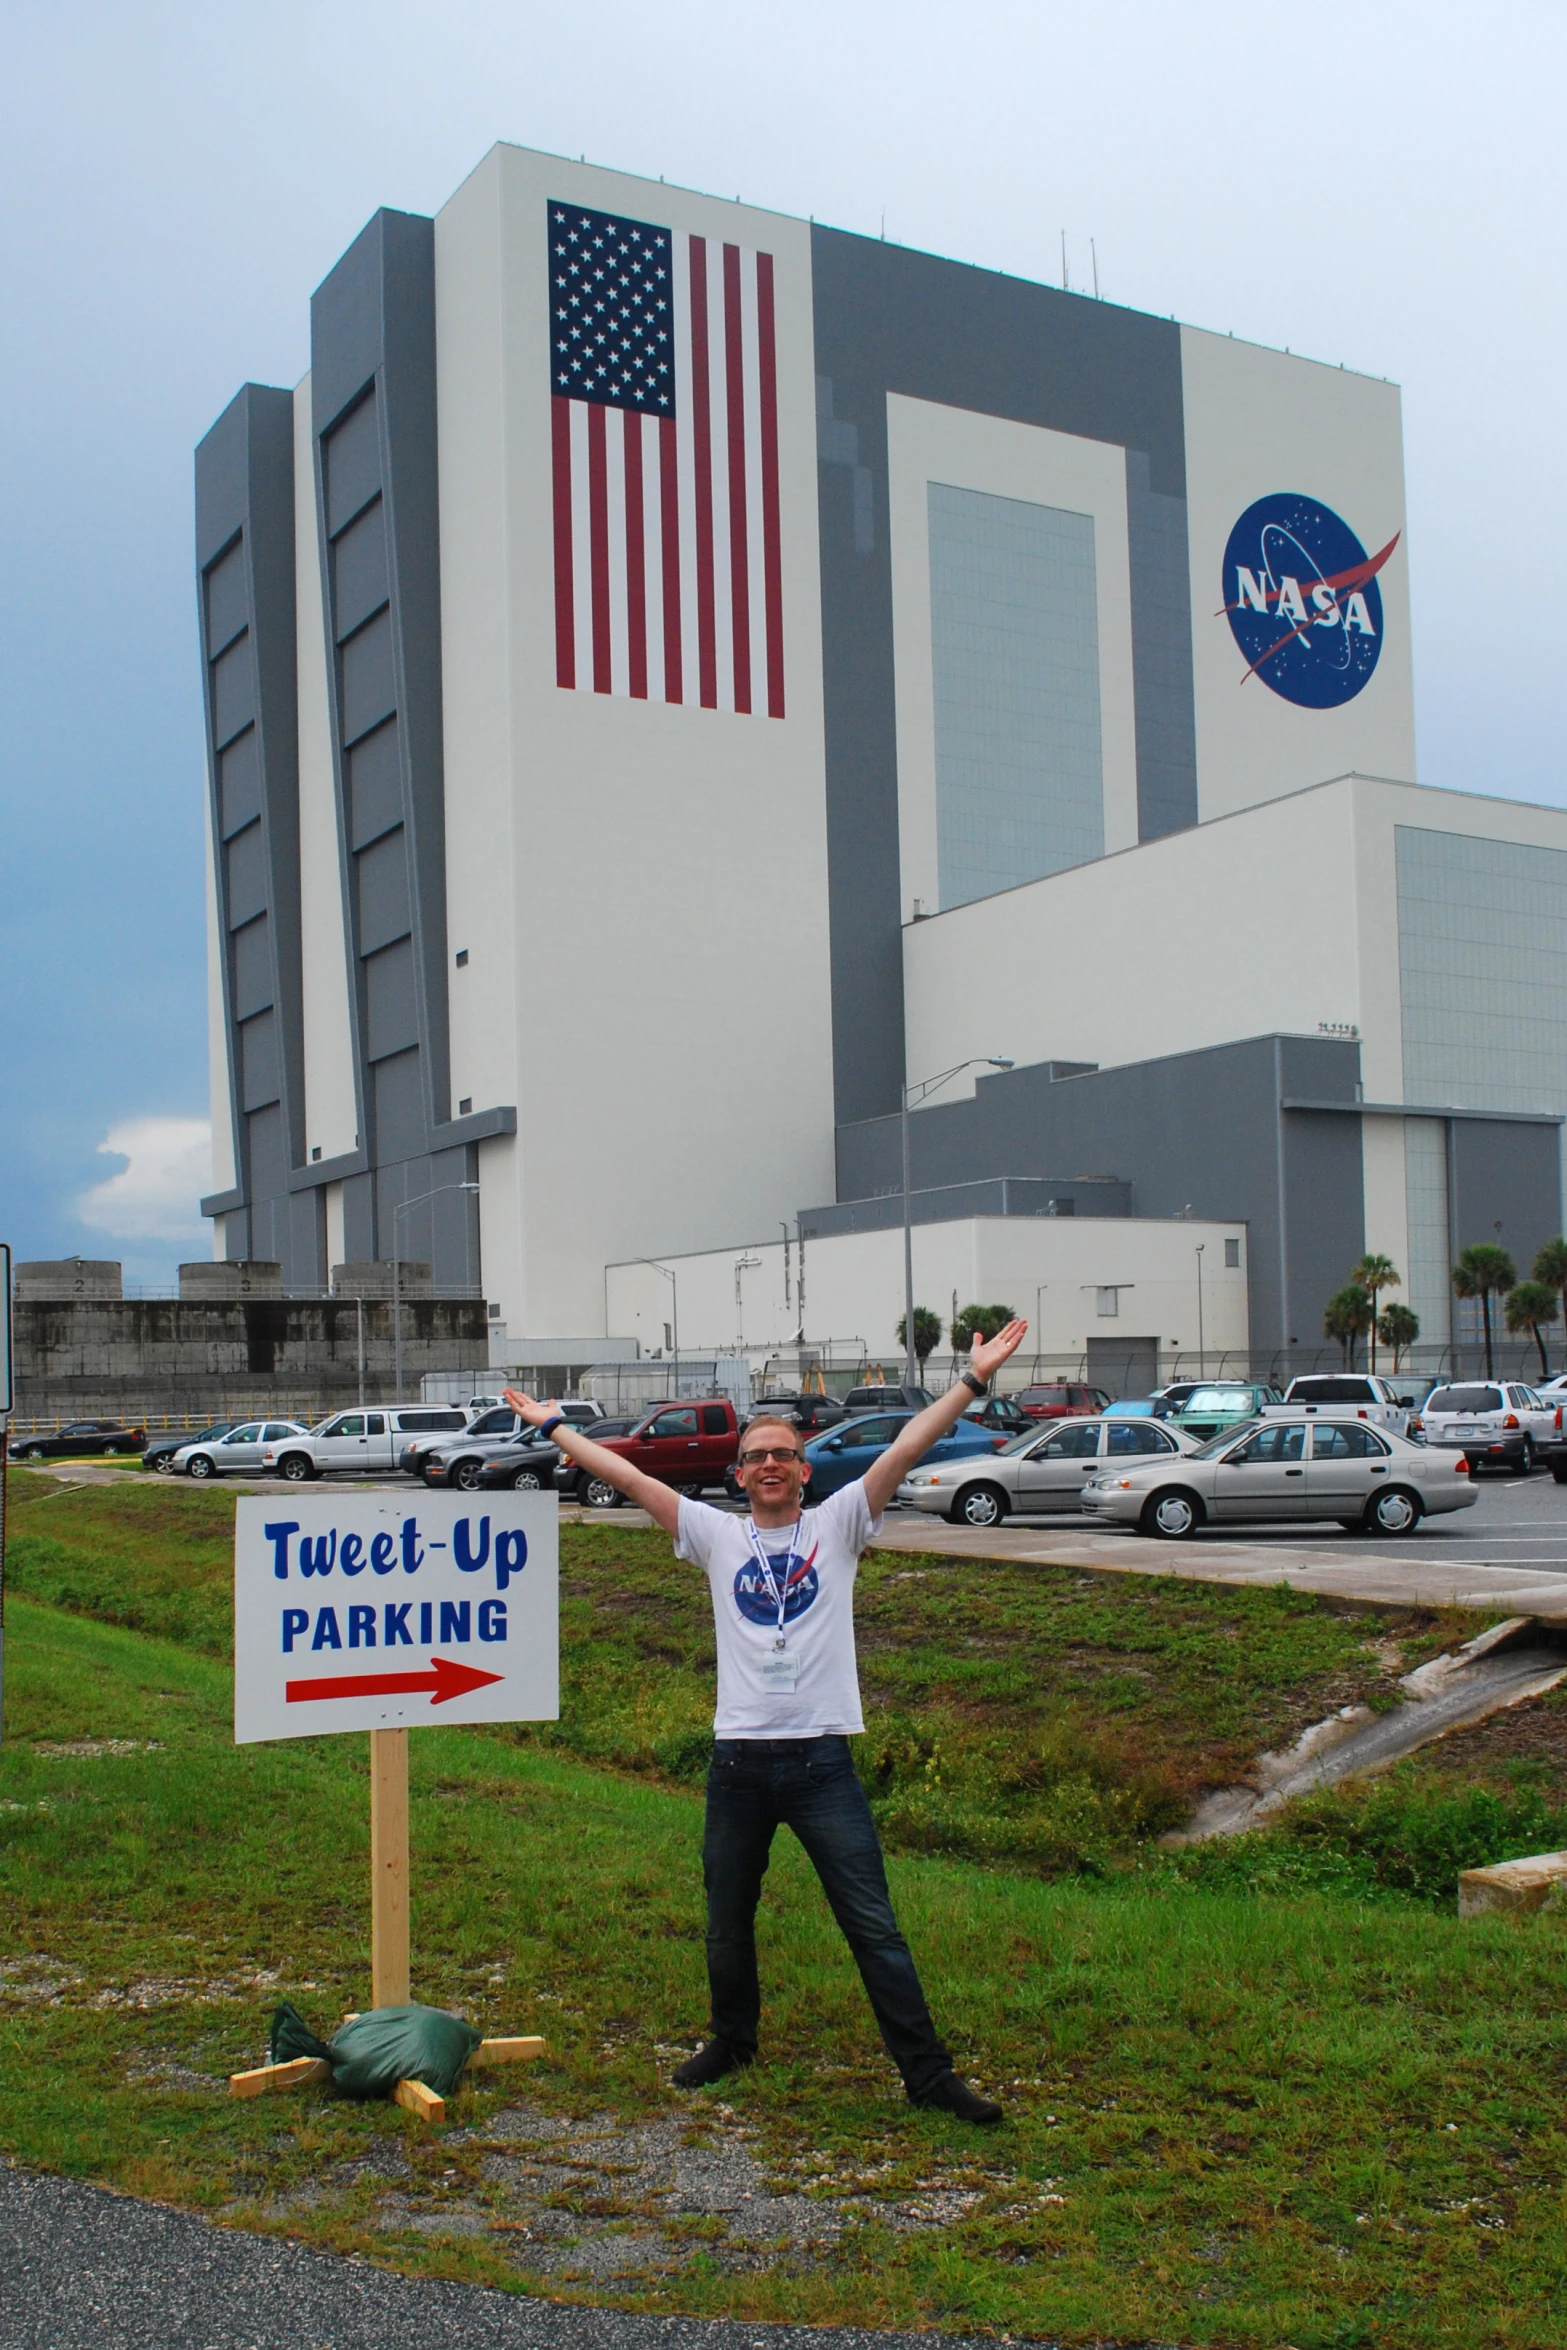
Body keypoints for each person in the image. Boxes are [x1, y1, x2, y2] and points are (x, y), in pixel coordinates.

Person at [503, 1315, 1028, 2126]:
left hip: (821, 1763)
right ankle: (733, 2040)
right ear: (738, 1473)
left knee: (873, 1927)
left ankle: (927, 2076)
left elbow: (903, 1450)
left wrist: (972, 1378)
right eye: (756, 1456)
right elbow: (629, 1475)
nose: (771, 1464)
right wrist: (557, 1426)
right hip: (739, 1763)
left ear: (804, 1468)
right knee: (725, 1919)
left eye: (783, 1453)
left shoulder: (841, 1523)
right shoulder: (714, 1537)